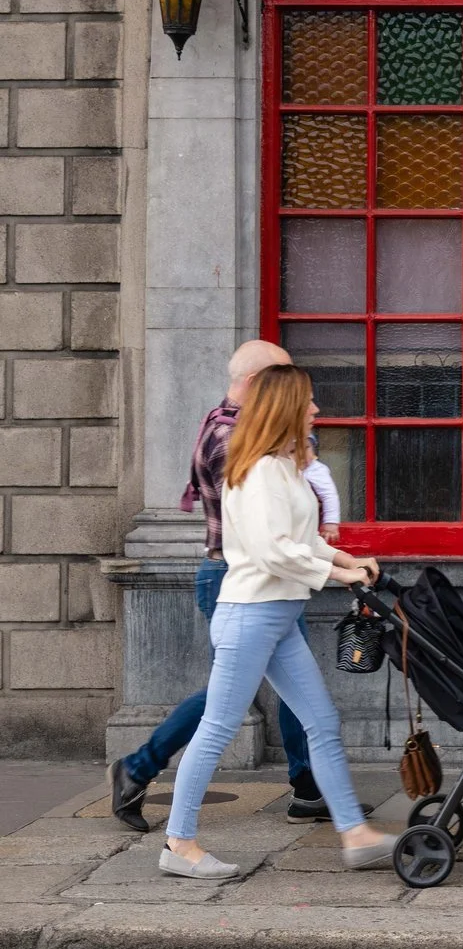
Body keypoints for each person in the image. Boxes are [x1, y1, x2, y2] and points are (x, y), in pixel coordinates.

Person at [159, 364, 390, 879]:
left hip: (279, 616)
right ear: (284, 406)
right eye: (307, 401)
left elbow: (301, 541)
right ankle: (178, 843)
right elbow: (272, 553)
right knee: (217, 729)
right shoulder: (260, 470)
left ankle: (355, 834)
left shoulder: (284, 467)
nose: (315, 409)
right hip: (251, 616)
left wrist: (346, 560)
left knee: (322, 721)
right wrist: (337, 575)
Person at [108, 341, 342, 830]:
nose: (304, 401)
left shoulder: (239, 429)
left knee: (290, 689)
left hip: (270, 573)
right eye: (285, 382)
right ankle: (141, 772)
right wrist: (331, 566)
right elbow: (267, 529)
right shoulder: (234, 439)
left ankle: (309, 787)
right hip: (241, 576)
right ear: (260, 385)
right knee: (225, 699)